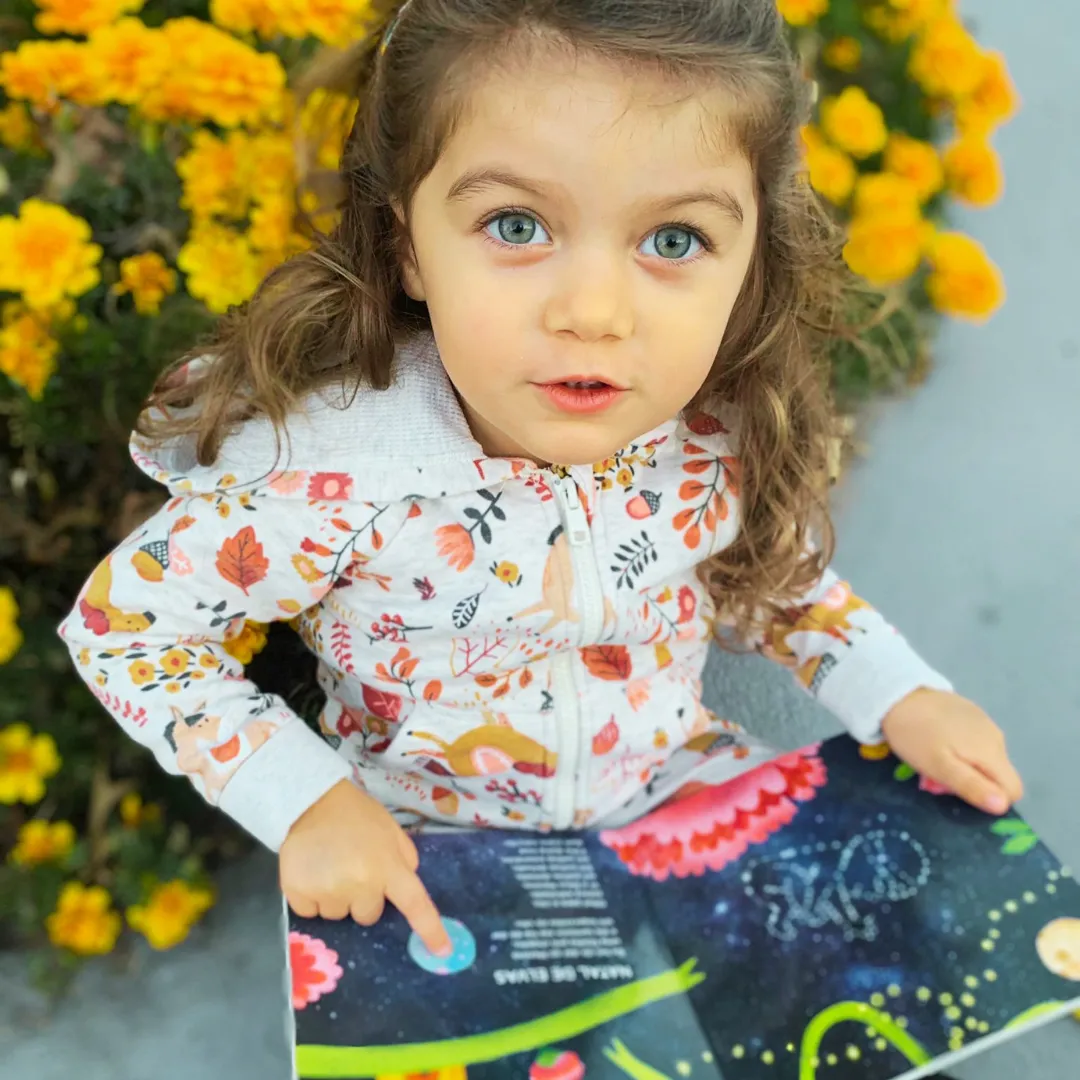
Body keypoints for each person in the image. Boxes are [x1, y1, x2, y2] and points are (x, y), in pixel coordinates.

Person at [60, 0, 1023, 965]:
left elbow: (774, 580)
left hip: (678, 800)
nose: (593, 311)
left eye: (675, 241)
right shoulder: (330, 473)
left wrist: (900, 693)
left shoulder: (707, 427)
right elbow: (129, 630)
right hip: (424, 848)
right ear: (407, 246)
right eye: (516, 224)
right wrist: (306, 801)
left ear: (751, 259)